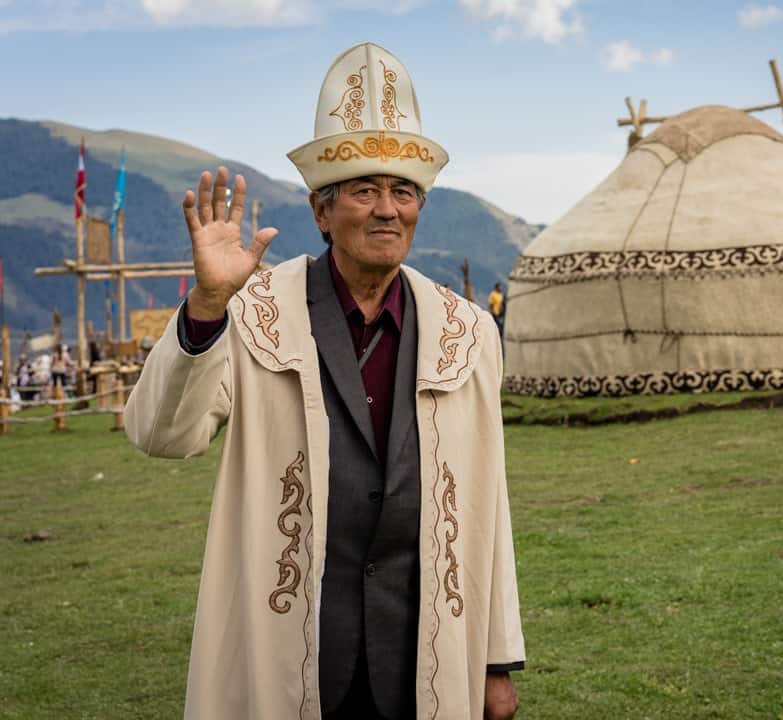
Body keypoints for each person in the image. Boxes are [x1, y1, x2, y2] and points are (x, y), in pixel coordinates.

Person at [124, 43, 524, 720]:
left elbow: (489, 496)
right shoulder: (252, 313)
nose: (386, 210)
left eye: (403, 192)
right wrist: (205, 309)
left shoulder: (467, 330)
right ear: (320, 210)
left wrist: (495, 659)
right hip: (291, 642)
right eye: (364, 190)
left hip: (427, 646)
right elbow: (162, 435)